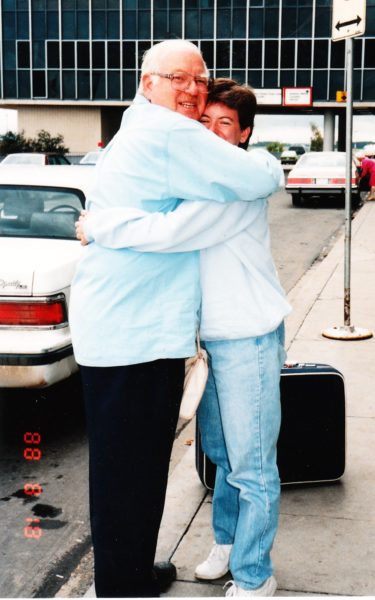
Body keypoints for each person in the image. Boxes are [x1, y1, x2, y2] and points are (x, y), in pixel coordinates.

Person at [69, 41, 283, 599]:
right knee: (133, 470)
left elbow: (187, 220)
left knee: (138, 467)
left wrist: (102, 226)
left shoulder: (142, 130)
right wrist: (262, 163)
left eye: (200, 80)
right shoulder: (168, 133)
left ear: (244, 131)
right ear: (147, 82)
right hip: (135, 334)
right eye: (178, 80)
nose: (191, 93)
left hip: (148, 330)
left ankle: (141, 572)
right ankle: (125, 582)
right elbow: (235, 191)